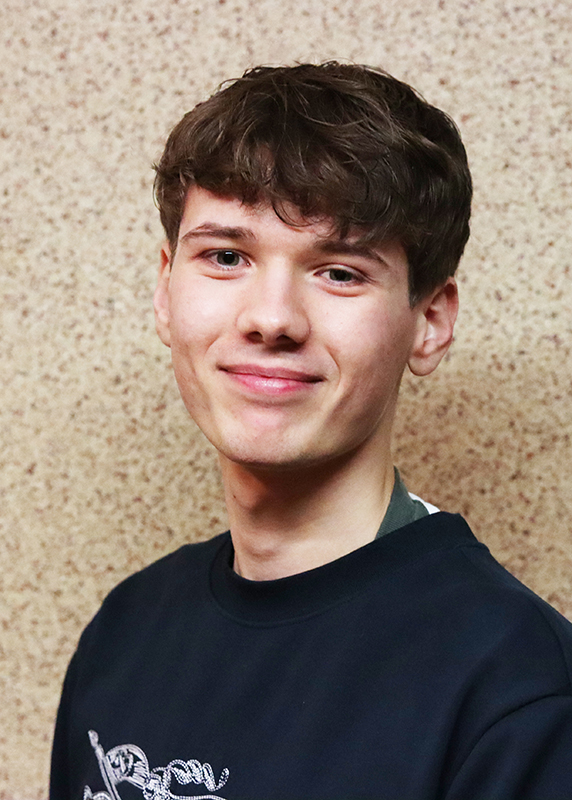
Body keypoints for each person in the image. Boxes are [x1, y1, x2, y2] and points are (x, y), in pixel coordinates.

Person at [50, 63, 572, 800]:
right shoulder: (125, 630)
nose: (272, 318)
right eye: (225, 257)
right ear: (166, 290)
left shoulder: (517, 689)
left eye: (339, 271)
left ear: (430, 321)